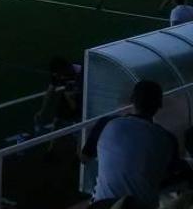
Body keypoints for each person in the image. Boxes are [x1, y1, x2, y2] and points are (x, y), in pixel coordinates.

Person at [82, 81, 183, 209]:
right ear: (159, 105)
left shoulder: (107, 123)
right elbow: (172, 176)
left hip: (104, 205)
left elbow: (84, 158)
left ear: (132, 100)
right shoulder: (167, 139)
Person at [34, 56, 83, 132]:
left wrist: (72, 96)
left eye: (60, 74)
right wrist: (42, 110)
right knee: (57, 124)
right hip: (67, 101)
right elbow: (50, 92)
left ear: (66, 67)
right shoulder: (58, 75)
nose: (60, 77)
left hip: (81, 102)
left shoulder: (82, 72)